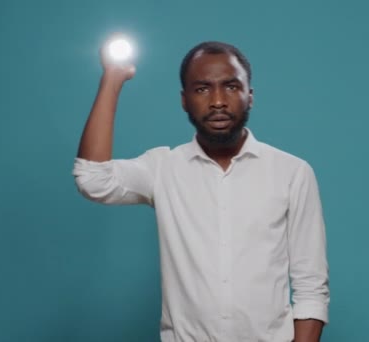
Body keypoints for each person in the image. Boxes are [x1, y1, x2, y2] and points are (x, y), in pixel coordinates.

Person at [73, 38, 330, 342]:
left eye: (231, 87)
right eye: (202, 88)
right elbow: (92, 179)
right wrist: (112, 79)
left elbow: (311, 287)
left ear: (250, 96)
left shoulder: (292, 173)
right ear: (184, 99)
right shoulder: (162, 169)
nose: (218, 100)